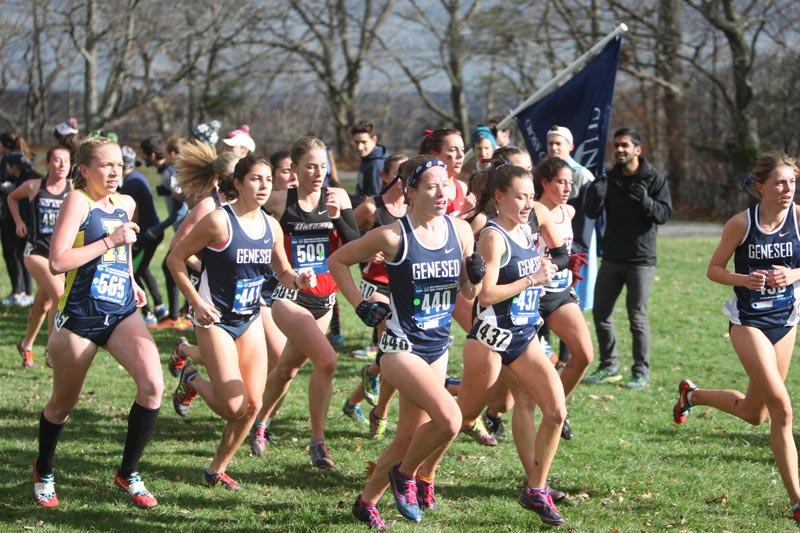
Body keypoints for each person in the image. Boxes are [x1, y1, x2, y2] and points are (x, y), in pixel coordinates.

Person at [328, 155, 484, 529]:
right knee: (450, 419)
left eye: (445, 184)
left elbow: (466, 290)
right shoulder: (393, 235)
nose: (442, 192)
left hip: (437, 346)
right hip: (400, 348)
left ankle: (366, 502)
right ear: (410, 192)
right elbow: (337, 261)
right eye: (431, 186)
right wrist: (360, 304)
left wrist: (474, 277)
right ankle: (406, 475)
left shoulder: (460, 232)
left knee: (407, 437)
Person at [167, 155, 313, 491]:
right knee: (233, 406)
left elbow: (282, 272)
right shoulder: (219, 221)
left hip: (248, 319)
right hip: (214, 318)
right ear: (238, 183)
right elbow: (174, 258)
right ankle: (192, 379)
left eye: (267, 180)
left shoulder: (271, 226)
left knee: (254, 405)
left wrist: (299, 280)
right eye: (255, 180)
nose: (264, 186)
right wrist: (197, 302)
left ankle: (216, 469)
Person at [33, 137, 163, 509]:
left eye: (118, 165)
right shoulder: (78, 201)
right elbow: (57, 261)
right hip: (80, 315)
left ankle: (128, 473)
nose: (114, 172)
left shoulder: (127, 203)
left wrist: (132, 280)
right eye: (105, 166)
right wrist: (110, 241)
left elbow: (121, 252)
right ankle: (43, 470)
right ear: (84, 170)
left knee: (153, 386)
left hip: (120, 310)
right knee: (62, 404)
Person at [673, 152, 800, 522]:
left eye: (792, 181)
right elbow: (714, 269)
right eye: (779, 182)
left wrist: (792, 276)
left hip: (786, 321)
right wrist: (743, 280)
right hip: (748, 322)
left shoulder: (798, 217)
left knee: (755, 414)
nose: (787, 189)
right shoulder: (741, 224)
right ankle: (797, 502)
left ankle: (691, 395)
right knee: (783, 409)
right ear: (760, 187)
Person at [455, 163, 566, 526]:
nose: (527, 203)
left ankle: (536, 489)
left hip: (521, 336)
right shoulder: (494, 236)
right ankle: (415, 471)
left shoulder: (526, 229)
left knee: (554, 411)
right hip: (489, 339)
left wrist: (542, 271)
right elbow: (485, 295)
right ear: (499, 197)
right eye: (520, 196)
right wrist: (533, 278)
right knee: (461, 416)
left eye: (531, 196)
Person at [256, 135, 360, 469]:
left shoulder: (337, 196)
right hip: (289, 296)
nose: (318, 172)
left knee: (287, 368)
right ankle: (318, 441)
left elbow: (357, 246)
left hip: (324, 299)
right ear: (295, 169)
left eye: (322, 166)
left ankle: (257, 424)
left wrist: (338, 217)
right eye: (310, 166)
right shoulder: (278, 201)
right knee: (327, 361)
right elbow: (244, 215)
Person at [582, 128, 672, 389]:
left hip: (641, 259)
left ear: (637, 149)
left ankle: (640, 371)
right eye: (617, 146)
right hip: (612, 256)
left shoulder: (654, 178)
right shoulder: (609, 178)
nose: (620, 150)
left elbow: (664, 214)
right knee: (601, 312)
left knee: (637, 315)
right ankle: (609, 365)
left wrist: (646, 202)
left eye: (625, 145)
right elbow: (591, 213)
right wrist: (594, 196)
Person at [342, 154, 408, 439]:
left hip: (401, 286)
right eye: (401, 174)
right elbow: (345, 238)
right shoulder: (371, 207)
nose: (406, 181)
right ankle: (378, 411)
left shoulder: (414, 209)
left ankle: (356, 397)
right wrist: (366, 250)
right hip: (373, 285)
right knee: (393, 342)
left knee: (393, 351)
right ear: (386, 177)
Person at [532, 156, 595, 440]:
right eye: (561, 182)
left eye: (570, 183)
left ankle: (559, 408)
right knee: (511, 385)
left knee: (584, 355)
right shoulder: (531, 212)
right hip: (531, 295)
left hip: (560, 294)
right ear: (545, 182)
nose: (567, 188)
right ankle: (490, 412)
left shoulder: (568, 212)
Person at [7, 146, 72, 368]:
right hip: (35, 253)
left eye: (66, 161)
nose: (62, 165)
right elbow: (12, 198)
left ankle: (26, 345)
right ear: (47, 164)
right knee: (59, 294)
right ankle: (52, 350)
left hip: (60, 255)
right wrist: (18, 222)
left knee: (42, 305)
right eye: (57, 160)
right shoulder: (34, 186)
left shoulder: (73, 189)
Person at [546, 125, 597, 312]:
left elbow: (586, 219)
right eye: (550, 143)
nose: (554, 148)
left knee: (570, 301)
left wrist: (577, 251)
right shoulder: (542, 173)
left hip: (573, 244)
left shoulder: (582, 176)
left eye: (558, 144)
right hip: (549, 245)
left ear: (570, 146)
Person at [118, 146, 167, 325]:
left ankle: (148, 313)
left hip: (145, 234)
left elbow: (134, 214)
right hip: (154, 231)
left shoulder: (130, 183)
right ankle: (160, 307)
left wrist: (129, 236)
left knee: (132, 270)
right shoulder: (137, 177)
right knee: (143, 268)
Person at [1, 134, 36, 306]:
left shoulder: (26, 180)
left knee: (19, 255)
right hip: (22, 222)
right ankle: (25, 293)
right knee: (22, 255)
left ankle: (23, 292)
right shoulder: (28, 175)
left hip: (19, 222)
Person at [352, 120, 389, 203]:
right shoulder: (367, 158)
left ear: (374, 139)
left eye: (364, 142)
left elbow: (375, 199)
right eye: (356, 142)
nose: (359, 147)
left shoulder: (377, 164)